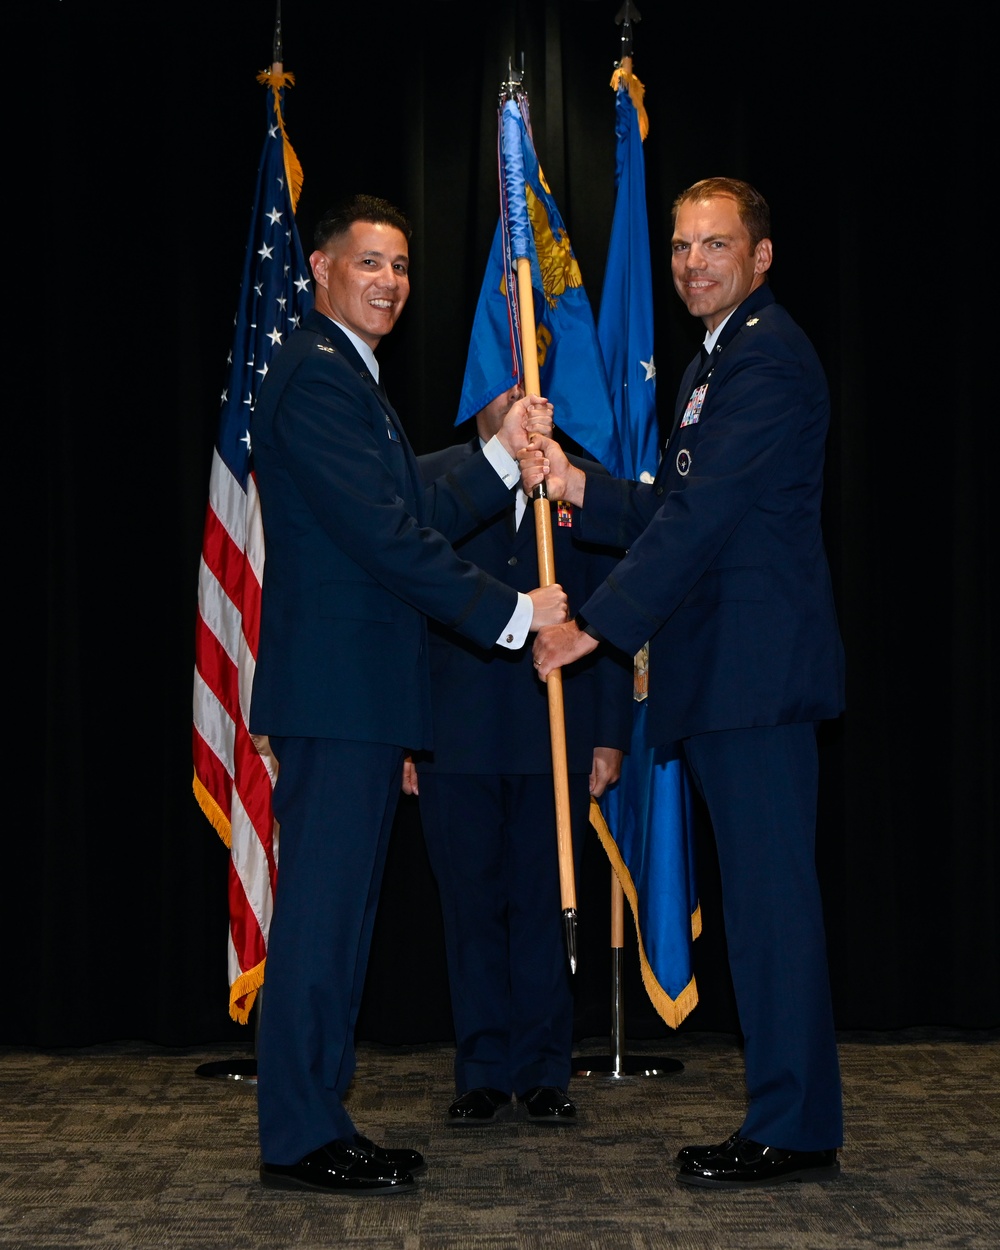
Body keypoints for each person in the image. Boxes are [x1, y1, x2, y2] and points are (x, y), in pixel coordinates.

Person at [523, 177, 846, 1190]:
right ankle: (788, 1112)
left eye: (715, 245)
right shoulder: (720, 359)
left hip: (754, 680)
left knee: (769, 910)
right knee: (760, 907)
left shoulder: (766, 358)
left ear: (759, 256)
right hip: (727, 679)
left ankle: (792, 1124)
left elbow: (699, 521)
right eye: (679, 246)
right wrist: (578, 485)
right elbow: (681, 499)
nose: (692, 262)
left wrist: (592, 625)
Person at [247, 194, 567, 1195]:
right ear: (323, 269)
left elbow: (410, 500)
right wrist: (517, 613)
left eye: (400, 266)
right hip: (340, 698)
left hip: (357, 701)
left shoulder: (344, 373)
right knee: (320, 920)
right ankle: (300, 1133)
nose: (388, 280)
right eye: (369, 262)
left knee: (339, 922)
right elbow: (389, 539)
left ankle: (317, 1117)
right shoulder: (315, 374)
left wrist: (499, 455)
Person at [404, 386, 633, 1128]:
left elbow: (607, 603)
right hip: (454, 732)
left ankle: (542, 1069)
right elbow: (407, 609)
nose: (518, 403)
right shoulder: (432, 476)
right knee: (471, 905)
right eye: (502, 391)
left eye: (529, 390)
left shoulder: (580, 478)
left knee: (546, 902)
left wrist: (609, 732)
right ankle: (481, 1068)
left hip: (553, 728)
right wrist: (408, 732)